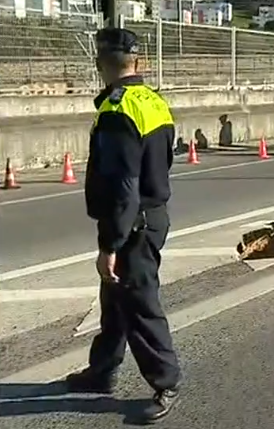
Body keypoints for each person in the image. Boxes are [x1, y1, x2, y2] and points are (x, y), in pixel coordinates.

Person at [64, 27, 181, 424]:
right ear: (139, 62)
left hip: (132, 224)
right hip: (152, 214)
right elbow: (163, 161)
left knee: (140, 305)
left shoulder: (117, 111)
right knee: (114, 300)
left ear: (100, 64)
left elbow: (123, 185)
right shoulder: (154, 101)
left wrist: (110, 244)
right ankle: (102, 370)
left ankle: (166, 382)